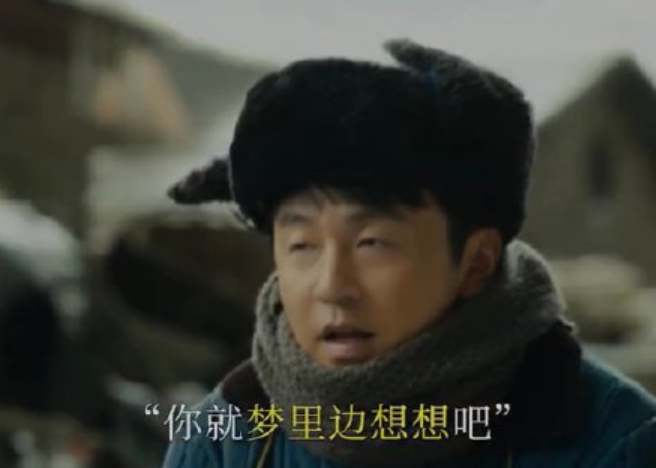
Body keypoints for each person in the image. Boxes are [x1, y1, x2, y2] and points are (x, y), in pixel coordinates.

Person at [162, 39, 656, 467]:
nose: (332, 286)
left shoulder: (613, 443)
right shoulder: (222, 443)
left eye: (371, 243)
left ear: (476, 262)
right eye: (301, 245)